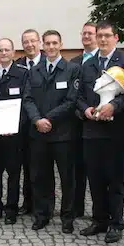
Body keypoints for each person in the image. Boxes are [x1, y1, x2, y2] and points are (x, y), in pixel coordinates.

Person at [77, 21, 124, 243]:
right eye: (99, 36)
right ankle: (99, 220)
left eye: (106, 35)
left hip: (115, 132)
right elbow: (79, 95)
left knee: (115, 180)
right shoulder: (88, 64)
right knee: (94, 179)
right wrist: (85, 109)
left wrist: (114, 106)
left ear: (116, 37)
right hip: (92, 131)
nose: (102, 39)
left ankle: (116, 223)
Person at [23, 30, 80, 232]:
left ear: (61, 44)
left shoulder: (72, 69)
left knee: (67, 178)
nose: (51, 47)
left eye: (54, 43)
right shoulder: (34, 70)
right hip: (38, 133)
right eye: (47, 43)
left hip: (63, 134)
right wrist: (37, 119)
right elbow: (27, 99)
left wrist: (49, 118)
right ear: (42, 46)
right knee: (40, 177)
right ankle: (42, 214)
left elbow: (71, 101)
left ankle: (67, 217)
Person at [0, 38, 28, 225]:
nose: (3, 53)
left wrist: (16, 124)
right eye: (0, 50)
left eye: (7, 50)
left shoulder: (23, 74)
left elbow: (27, 103)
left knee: (13, 173)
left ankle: (11, 209)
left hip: (14, 134)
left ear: (13, 52)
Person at [70, 22, 99, 218]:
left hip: (97, 123)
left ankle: (99, 213)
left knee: (96, 171)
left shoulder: (103, 60)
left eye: (91, 33)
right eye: (84, 33)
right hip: (74, 124)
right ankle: (76, 207)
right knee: (75, 168)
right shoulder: (73, 62)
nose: (87, 36)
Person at [15, 29, 44, 215]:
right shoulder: (18, 66)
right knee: (27, 164)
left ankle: (42, 204)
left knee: (42, 167)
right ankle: (27, 202)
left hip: (44, 122)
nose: (29, 45)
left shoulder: (46, 63)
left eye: (33, 41)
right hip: (23, 124)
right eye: (26, 42)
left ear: (39, 42)